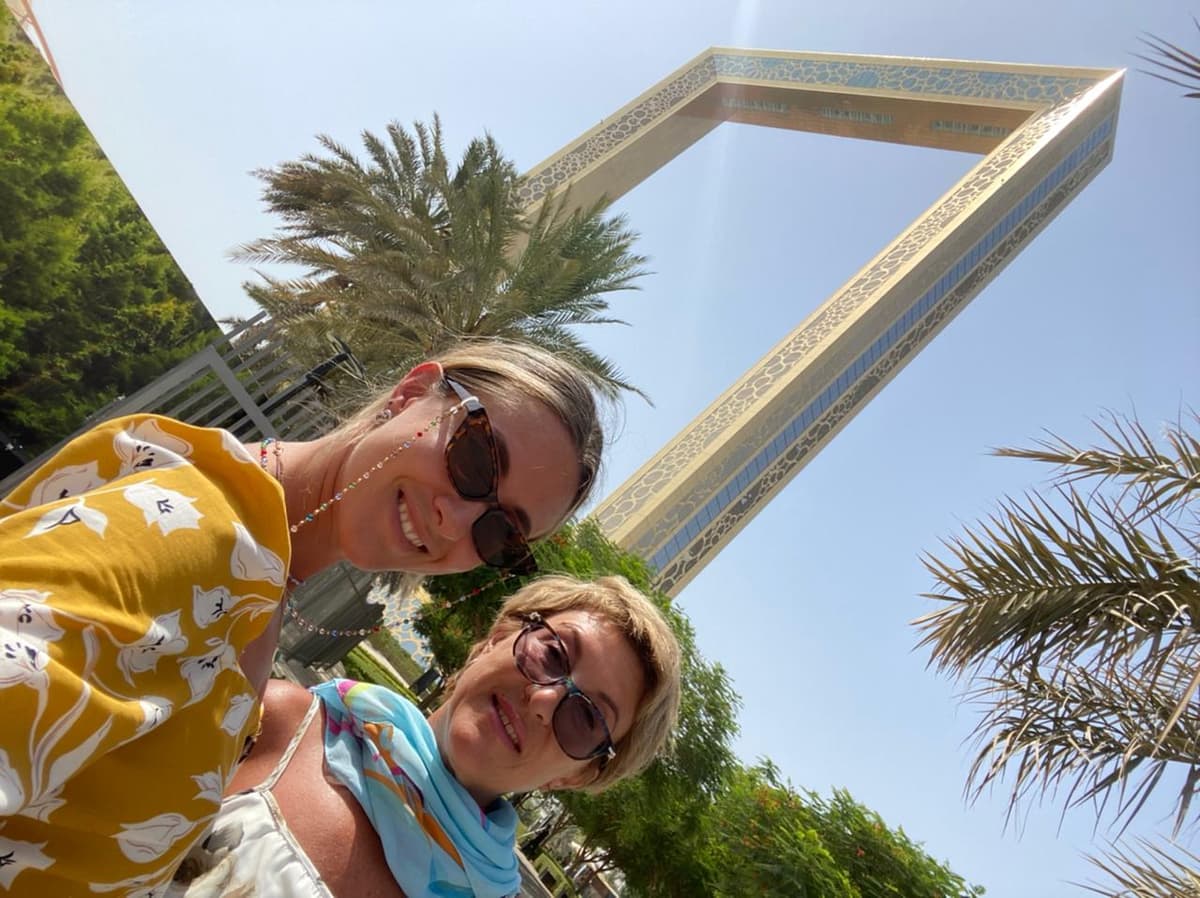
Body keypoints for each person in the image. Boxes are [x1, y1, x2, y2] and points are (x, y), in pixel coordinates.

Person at [0, 340, 604, 897]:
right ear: (412, 394)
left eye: (501, 530)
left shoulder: (256, 578)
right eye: (474, 455)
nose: (456, 519)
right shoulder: (202, 538)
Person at [168, 574, 682, 898]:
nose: (546, 701)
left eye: (586, 717)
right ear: (495, 640)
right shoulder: (282, 721)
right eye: (553, 653)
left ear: (576, 775)